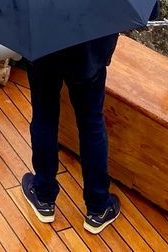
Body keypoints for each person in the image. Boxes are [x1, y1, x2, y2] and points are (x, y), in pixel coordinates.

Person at [22, 34, 122, 235]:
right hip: (89, 52)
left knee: (44, 116)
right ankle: (98, 206)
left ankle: (43, 196)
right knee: (92, 124)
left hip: (44, 48)